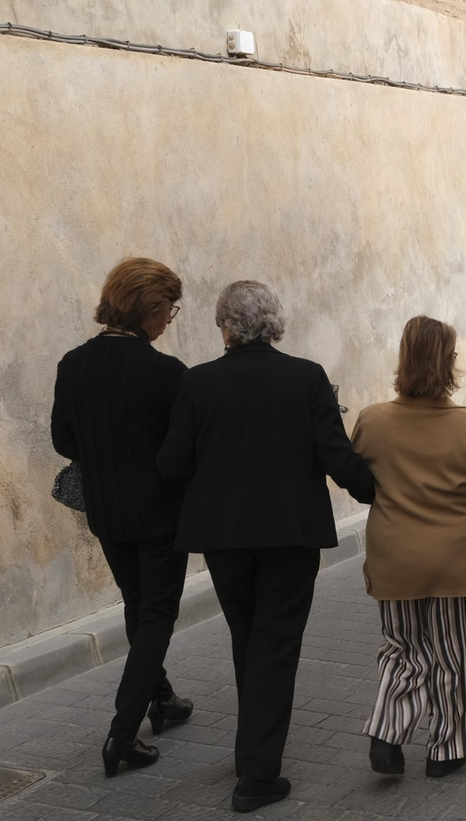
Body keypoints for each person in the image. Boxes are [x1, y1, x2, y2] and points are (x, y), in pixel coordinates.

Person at [157, 280, 376, 812]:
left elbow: (172, 463)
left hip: (223, 536)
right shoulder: (306, 377)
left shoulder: (197, 382)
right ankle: (257, 775)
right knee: (274, 645)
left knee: (248, 637)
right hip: (289, 533)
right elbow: (335, 455)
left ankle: (251, 753)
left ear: (225, 328)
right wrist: (376, 490)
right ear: (274, 323)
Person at [350, 316, 466, 780]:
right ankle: (447, 749)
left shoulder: (372, 420)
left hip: (393, 560)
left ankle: (388, 731)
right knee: (461, 656)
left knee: (403, 648)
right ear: (449, 363)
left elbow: (358, 480)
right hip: (455, 564)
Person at [51, 257, 195, 779]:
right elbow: (182, 450)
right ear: (148, 307)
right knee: (156, 614)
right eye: (169, 309)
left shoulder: (74, 364)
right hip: (160, 514)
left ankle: (163, 699)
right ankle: (122, 733)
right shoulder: (166, 373)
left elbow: (64, 439)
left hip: (107, 512)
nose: (169, 320)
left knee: (139, 604)